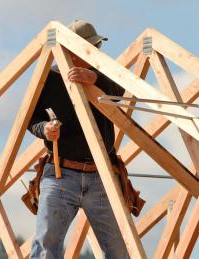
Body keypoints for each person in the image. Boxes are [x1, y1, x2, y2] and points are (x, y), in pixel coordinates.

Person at [27, 20, 138, 259]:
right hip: (60, 174)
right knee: (46, 248)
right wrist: (45, 129)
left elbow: (124, 93)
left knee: (120, 250)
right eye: (92, 47)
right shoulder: (50, 77)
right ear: (72, 51)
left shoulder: (104, 73)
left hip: (101, 175)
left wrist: (94, 79)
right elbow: (30, 118)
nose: (96, 52)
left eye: (96, 47)